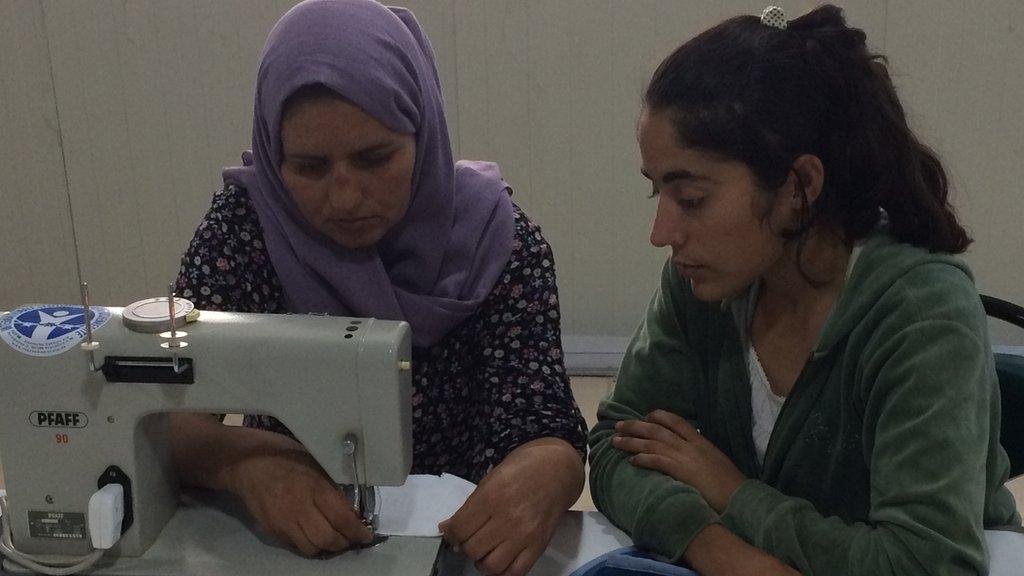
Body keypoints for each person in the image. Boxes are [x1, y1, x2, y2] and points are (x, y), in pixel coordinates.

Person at [588, 5, 1022, 576]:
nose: (661, 233)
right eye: (657, 194)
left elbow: (928, 562)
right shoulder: (703, 283)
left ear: (801, 185)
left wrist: (733, 492)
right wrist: (722, 552)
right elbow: (619, 448)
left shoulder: (920, 313)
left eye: (691, 198)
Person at [169, 1, 586, 574]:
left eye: (374, 158)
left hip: (460, 535)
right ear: (272, 153)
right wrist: (247, 465)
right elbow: (170, 413)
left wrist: (546, 469)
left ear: (423, 130)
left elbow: (545, 421)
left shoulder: (499, 243)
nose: (344, 197)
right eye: (309, 167)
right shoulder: (249, 229)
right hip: (296, 535)